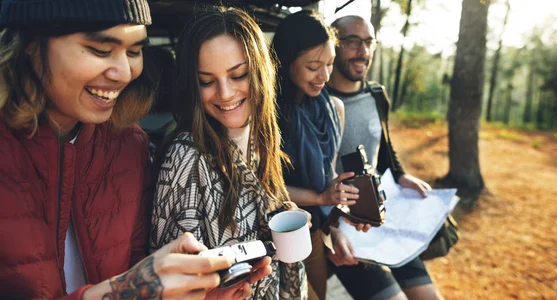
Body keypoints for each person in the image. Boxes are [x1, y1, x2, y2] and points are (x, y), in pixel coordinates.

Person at [0, 0, 257, 298]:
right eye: (100, 50)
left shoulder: (128, 145)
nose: (124, 73)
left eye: (135, 51)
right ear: (30, 43)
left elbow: (136, 270)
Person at [149, 6, 306, 300]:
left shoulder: (261, 138)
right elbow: (171, 284)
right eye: (207, 81)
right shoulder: (186, 159)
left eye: (238, 75)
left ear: (261, 70)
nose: (224, 93)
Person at [325, 15, 444, 300]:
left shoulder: (377, 95)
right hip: (346, 229)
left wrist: (401, 175)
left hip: (383, 219)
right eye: (352, 41)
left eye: (368, 42)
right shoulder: (317, 101)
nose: (363, 51)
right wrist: (329, 228)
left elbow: (383, 149)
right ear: (334, 45)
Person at [272, 10, 362, 300]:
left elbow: (329, 178)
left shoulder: (334, 109)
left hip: (313, 231)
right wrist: (323, 197)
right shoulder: (265, 115)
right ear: (285, 62)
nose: (325, 76)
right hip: (270, 235)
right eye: (313, 66)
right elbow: (265, 186)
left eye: (330, 64)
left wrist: (338, 214)